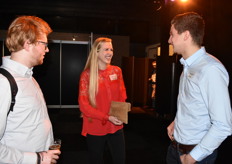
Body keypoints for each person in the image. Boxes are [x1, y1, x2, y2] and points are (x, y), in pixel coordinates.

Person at [166, 12, 232, 164]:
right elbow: (191, 104)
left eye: (172, 34)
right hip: (175, 150)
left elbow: (223, 125)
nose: (169, 40)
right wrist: (176, 122)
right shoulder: (188, 65)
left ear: (186, 35)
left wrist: (192, 157)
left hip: (195, 157)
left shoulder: (210, 69)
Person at [0, 16, 61, 164]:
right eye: (44, 44)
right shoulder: (4, 83)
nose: (47, 49)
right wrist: (36, 158)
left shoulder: (29, 77)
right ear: (28, 44)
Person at [78, 37, 127, 164]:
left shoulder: (117, 70)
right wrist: (106, 117)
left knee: (120, 160)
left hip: (115, 125)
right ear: (97, 52)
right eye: (106, 49)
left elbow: (122, 95)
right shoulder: (87, 75)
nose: (110, 52)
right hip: (95, 126)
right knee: (96, 160)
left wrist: (121, 112)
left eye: (111, 49)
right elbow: (84, 106)